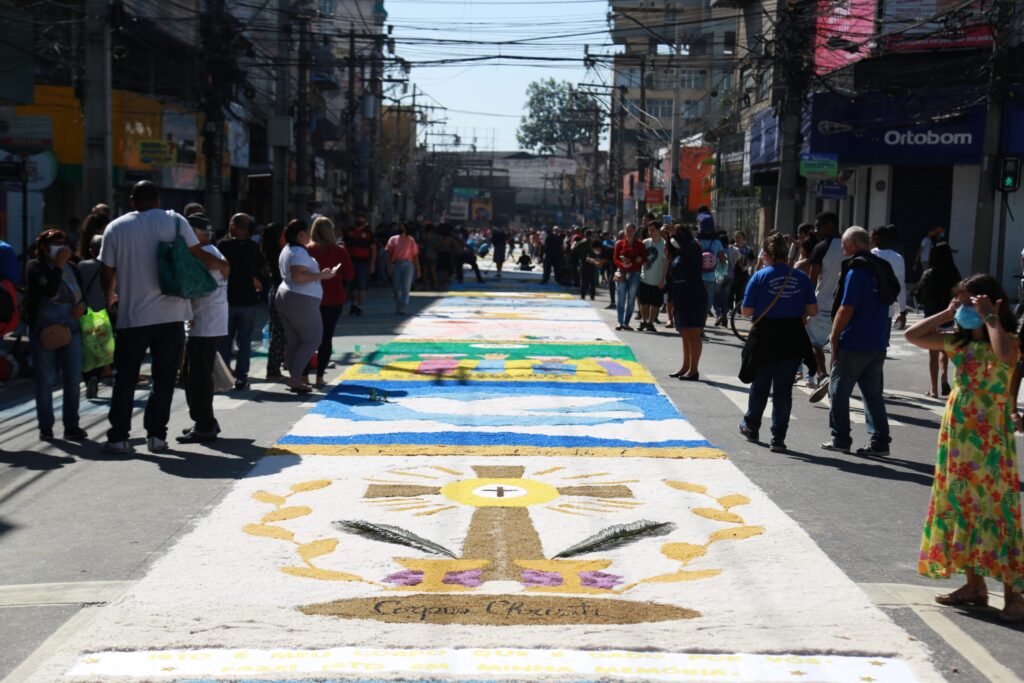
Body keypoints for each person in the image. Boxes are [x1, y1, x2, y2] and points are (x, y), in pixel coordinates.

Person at [905, 274, 1024, 623]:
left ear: (992, 303)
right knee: (960, 505)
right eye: (964, 303)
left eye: (971, 302)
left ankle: (1014, 594)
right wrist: (947, 311)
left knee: (996, 508)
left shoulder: (1008, 339)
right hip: (958, 440)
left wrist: (990, 318)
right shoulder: (958, 345)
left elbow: (1005, 357)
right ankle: (974, 586)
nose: (966, 309)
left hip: (990, 440)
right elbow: (915, 336)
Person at [98, 180, 228, 454]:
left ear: (132, 200)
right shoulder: (176, 221)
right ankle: (156, 436)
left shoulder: (115, 227)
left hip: (132, 316)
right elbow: (196, 255)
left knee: (125, 379)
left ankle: (118, 437)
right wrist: (222, 265)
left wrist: (110, 296)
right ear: (158, 200)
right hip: (172, 314)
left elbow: (107, 270)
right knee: (164, 379)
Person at [820, 227, 899, 457]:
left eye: (845, 245)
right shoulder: (881, 268)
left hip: (854, 341)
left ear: (854, 244)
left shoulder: (857, 271)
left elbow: (846, 308)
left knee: (838, 390)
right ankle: (880, 442)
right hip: (877, 341)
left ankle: (841, 438)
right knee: (873, 394)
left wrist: (834, 338)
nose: (843, 250)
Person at [738, 233, 818, 453]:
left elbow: (746, 311)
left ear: (767, 254)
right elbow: (813, 310)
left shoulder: (760, 277)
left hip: (764, 337)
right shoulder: (801, 277)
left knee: (760, 385)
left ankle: (752, 427)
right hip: (791, 337)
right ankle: (778, 438)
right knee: (783, 391)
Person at [25, 230, 87, 441]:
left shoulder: (73, 268)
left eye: (64, 242)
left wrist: (82, 308)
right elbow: (49, 290)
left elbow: (82, 297)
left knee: (72, 378)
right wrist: (59, 265)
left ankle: (72, 425)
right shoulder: (35, 267)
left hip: (71, 328)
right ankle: (46, 426)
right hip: (45, 330)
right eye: (55, 243)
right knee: (45, 380)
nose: (60, 246)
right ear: (43, 246)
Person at [275, 219, 342, 394]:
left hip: (287, 295)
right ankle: (295, 377)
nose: (310, 235)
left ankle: (294, 377)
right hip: (300, 298)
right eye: (306, 231)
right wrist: (323, 276)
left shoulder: (288, 249)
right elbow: (298, 276)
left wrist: (320, 274)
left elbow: (298, 275)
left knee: (295, 340)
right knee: (313, 338)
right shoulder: (298, 252)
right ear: (301, 234)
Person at [178, 215, 229, 444]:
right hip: (205, 321)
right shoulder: (212, 253)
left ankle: (205, 425)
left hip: (205, 322)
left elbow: (216, 268)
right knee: (194, 374)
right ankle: (204, 421)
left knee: (197, 377)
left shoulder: (206, 253)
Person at [217, 213, 265, 390]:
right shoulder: (253, 247)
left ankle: (224, 375)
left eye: (232, 224)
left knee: (225, 340)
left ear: (238, 227)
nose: (230, 226)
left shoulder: (223, 245)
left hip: (227, 299)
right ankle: (242, 375)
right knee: (245, 340)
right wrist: (254, 279)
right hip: (248, 300)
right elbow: (260, 268)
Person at [308, 217, 354, 386]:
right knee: (326, 337)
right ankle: (320, 377)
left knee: (308, 337)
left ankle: (304, 376)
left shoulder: (307, 250)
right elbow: (350, 274)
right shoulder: (339, 251)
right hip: (334, 298)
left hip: (311, 298)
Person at [916, 243, 961, 397]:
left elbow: (920, 295)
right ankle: (944, 378)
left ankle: (934, 389)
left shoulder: (929, 273)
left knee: (932, 352)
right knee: (945, 347)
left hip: (932, 316)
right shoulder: (954, 274)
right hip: (948, 314)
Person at [807, 211, 844, 397]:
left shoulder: (822, 247)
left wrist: (805, 303)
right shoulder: (850, 245)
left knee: (815, 343)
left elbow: (812, 279)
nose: (816, 230)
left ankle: (822, 375)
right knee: (839, 344)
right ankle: (838, 380)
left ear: (830, 225)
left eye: (819, 226)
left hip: (823, 303)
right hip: (846, 306)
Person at [668, 225, 706, 381]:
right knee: (684, 333)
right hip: (681, 295)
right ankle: (685, 366)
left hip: (693, 295)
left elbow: (685, 244)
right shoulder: (679, 252)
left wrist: (675, 232)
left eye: (677, 236)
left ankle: (693, 370)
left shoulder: (693, 248)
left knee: (692, 332)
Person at [78, 234, 108, 398]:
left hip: (84, 313)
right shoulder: (110, 266)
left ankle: (88, 377)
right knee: (101, 350)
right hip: (103, 313)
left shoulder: (82, 266)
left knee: (86, 349)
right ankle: (96, 376)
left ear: (91, 251)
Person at [260, 223, 287, 380]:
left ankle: (275, 366)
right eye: (283, 235)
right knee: (279, 332)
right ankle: (273, 369)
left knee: (278, 331)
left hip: (274, 292)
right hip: (279, 292)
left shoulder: (270, 252)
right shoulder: (278, 253)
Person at [870, 226, 909, 337]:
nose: (870, 239)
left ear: (876, 238)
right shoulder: (897, 258)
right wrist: (902, 311)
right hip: (887, 309)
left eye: (871, 237)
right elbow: (901, 286)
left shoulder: (869, 255)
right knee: (883, 343)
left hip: (868, 307)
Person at [612, 223, 646, 331]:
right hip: (621, 272)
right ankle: (620, 322)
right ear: (624, 231)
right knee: (621, 298)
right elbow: (615, 259)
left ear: (635, 231)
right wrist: (623, 265)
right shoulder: (619, 244)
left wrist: (637, 262)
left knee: (631, 299)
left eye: (631, 230)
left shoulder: (640, 244)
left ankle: (626, 322)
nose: (629, 232)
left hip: (635, 273)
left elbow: (644, 259)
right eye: (627, 230)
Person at [343, 213, 376, 316]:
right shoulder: (349, 231)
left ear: (364, 220)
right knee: (350, 285)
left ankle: (359, 306)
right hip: (350, 261)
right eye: (357, 217)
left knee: (362, 285)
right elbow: (343, 245)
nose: (359, 219)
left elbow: (373, 249)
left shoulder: (368, 233)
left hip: (363, 262)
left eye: (361, 218)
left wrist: (372, 264)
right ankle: (354, 303)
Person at [637, 222, 667, 332]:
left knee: (655, 304)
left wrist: (663, 278)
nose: (651, 232)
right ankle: (644, 321)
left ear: (659, 230)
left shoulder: (664, 245)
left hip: (657, 279)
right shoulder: (645, 243)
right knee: (643, 302)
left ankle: (650, 322)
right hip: (644, 278)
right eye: (649, 230)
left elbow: (666, 263)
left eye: (653, 230)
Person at [385, 222, 420, 314]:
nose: (400, 229)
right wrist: (388, 266)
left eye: (402, 227)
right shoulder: (393, 239)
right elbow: (389, 254)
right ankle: (398, 303)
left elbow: (415, 255)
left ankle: (402, 306)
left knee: (405, 287)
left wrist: (418, 269)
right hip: (396, 263)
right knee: (395, 287)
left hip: (408, 264)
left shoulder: (411, 240)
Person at [696, 220, 726, 322]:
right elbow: (722, 259)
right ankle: (702, 325)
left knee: (697, 300)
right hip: (711, 277)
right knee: (707, 301)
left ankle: (696, 323)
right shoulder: (717, 242)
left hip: (697, 276)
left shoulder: (697, 241)